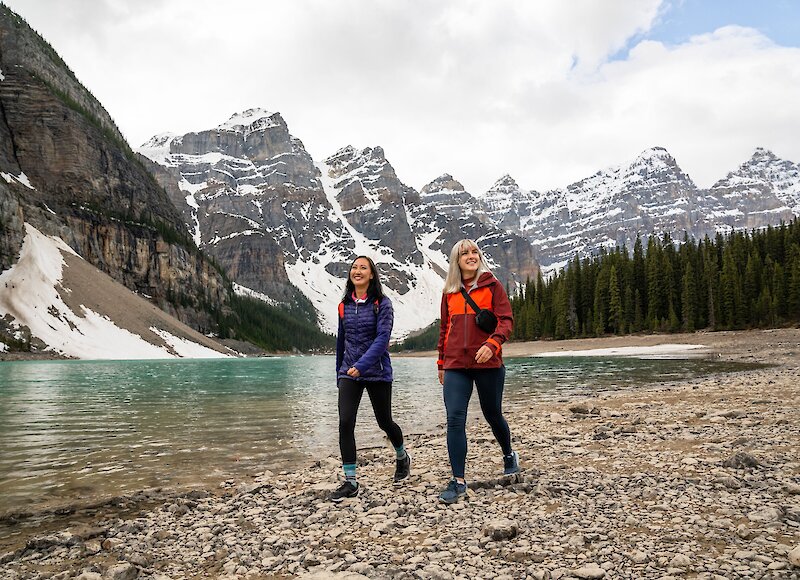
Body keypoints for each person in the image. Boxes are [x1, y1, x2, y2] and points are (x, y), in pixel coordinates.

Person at [436, 239, 519, 504]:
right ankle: (458, 480)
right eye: (464, 253)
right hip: (455, 365)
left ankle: (508, 453)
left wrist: (493, 344)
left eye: (475, 252)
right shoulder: (450, 291)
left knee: (492, 414)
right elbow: (444, 330)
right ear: (456, 260)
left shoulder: (492, 286)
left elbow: (506, 321)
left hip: (488, 364)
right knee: (455, 418)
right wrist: (441, 363)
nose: (471, 256)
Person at [330, 256, 410, 501]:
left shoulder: (382, 304)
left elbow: (382, 340)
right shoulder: (344, 305)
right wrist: (340, 373)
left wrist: (361, 366)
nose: (357, 271)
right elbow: (341, 341)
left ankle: (401, 456)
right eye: (354, 267)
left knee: (385, 421)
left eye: (363, 268)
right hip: (349, 373)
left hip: (376, 372)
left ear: (372, 275)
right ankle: (351, 482)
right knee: (345, 422)